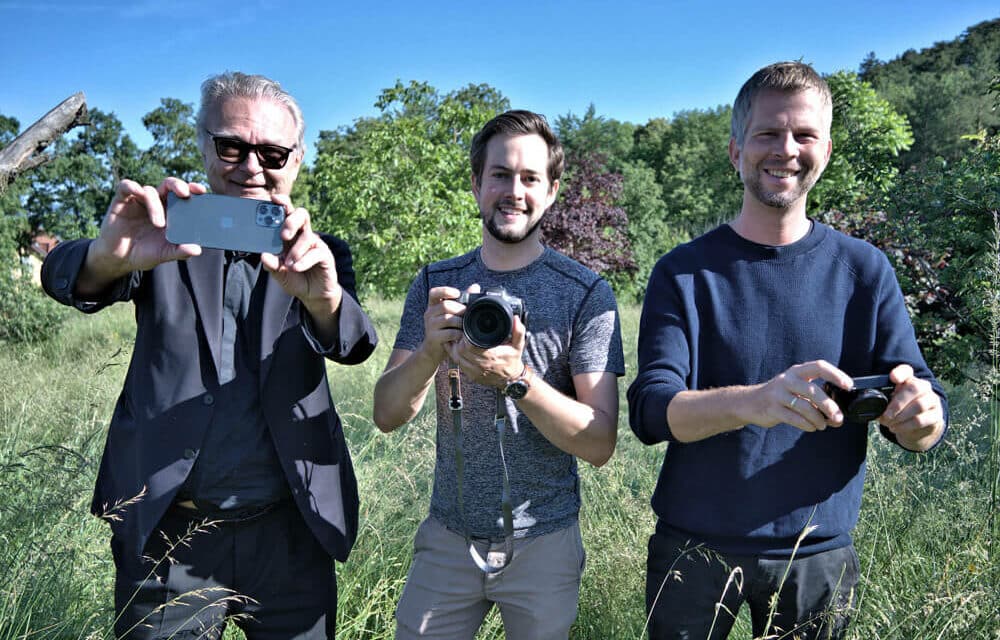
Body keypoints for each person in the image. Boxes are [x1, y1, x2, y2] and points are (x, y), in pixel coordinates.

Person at [41, 71, 377, 639]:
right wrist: (108, 258)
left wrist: (323, 297)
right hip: (171, 538)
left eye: (271, 152)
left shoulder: (319, 254)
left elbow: (353, 342)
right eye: (232, 146)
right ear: (203, 146)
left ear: (296, 159)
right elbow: (63, 274)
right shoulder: (161, 237)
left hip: (291, 535)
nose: (251, 167)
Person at [627, 61, 948, 640]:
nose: (786, 150)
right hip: (694, 551)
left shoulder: (865, 271)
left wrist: (921, 418)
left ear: (825, 150)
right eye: (768, 134)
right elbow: (652, 412)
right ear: (735, 150)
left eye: (803, 135)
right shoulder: (683, 272)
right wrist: (756, 401)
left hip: (818, 555)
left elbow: (920, 411)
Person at [373, 109, 624, 639]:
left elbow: (600, 443)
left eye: (531, 178)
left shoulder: (584, 293)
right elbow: (387, 415)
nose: (515, 191)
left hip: (544, 540)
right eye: (501, 175)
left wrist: (519, 379)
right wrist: (428, 353)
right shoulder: (438, 282)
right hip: (449, 532)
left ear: (552, 190)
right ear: (476, 184)